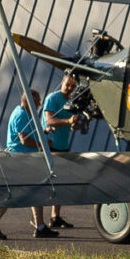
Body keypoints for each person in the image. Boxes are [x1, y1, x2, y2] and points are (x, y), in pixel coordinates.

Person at [0, 89, 59, 240]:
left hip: (25, 160)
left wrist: (44, 131)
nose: (39, 104)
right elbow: (25, 140)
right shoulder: (21, 115)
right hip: (17, 160)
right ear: (29, 101)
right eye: (37, 102)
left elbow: (30, 133)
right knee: (11, 194)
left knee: (35, 192)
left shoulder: (26, 114)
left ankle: (40, 226)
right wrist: (42, 145)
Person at [41, 73, 78, 229]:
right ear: (62, 82)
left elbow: (70, 123)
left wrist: (73, 123)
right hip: (52, 145)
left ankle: (55, 217)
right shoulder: (53, 98)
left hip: (63, 146)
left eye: (72, 86)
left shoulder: (71, 101)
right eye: (67, 84)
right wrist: (68, 121)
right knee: (50, 183)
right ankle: (40, 222)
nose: (69, 88)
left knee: (61, 182)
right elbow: (49, 120)